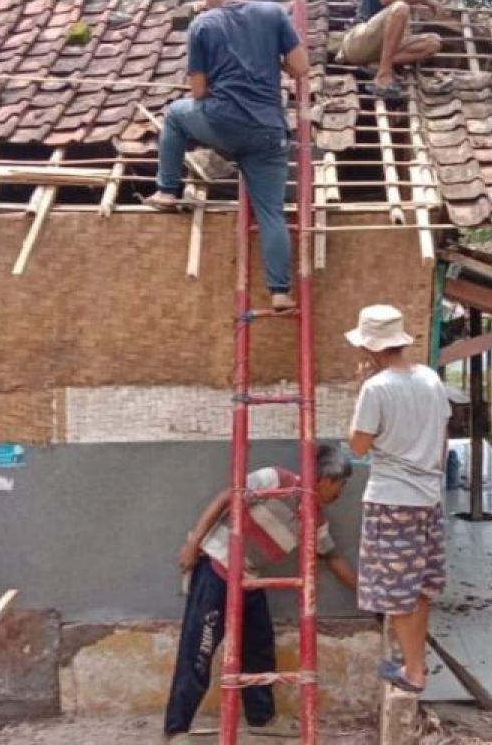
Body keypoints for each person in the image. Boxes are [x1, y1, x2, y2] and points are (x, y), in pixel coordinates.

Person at [163, 444, 357, 743]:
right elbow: (226, 498)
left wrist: (367, 592)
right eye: (341, 485)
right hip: (216, 568)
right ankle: (176, 729)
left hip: (250, 580)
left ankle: (261, 721)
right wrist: (193, 543)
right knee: (198, 649)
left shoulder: (315, 520)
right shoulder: (275, 479)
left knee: (260, 649)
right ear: (326, 479)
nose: (340, 492)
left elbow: (333, 559)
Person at [147, 0, 310, 311]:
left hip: (224, 123)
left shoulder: (203, 23)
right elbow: (300, 68)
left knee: (175, 114)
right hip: (269, 132)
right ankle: (280, 292)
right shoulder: (273, 13)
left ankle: (166, 191)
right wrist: (270, 55)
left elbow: (199, 91)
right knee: (271, 213)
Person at [346, 304, 451, 693]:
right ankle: (414, 664)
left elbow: (357, 447)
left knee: (396, 591)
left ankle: (414, 672)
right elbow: (440, 439)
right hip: (428, 497)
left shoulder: (376, 389)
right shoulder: (429, 379)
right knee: (420, 586)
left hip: (392, 499)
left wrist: (361, 390)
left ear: (370, 348)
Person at [340, 0, 443, 99]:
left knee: (433, 42)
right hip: (358, 40)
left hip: (376, 48)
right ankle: (383, 77)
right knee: (401, 7)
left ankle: (377, 64)